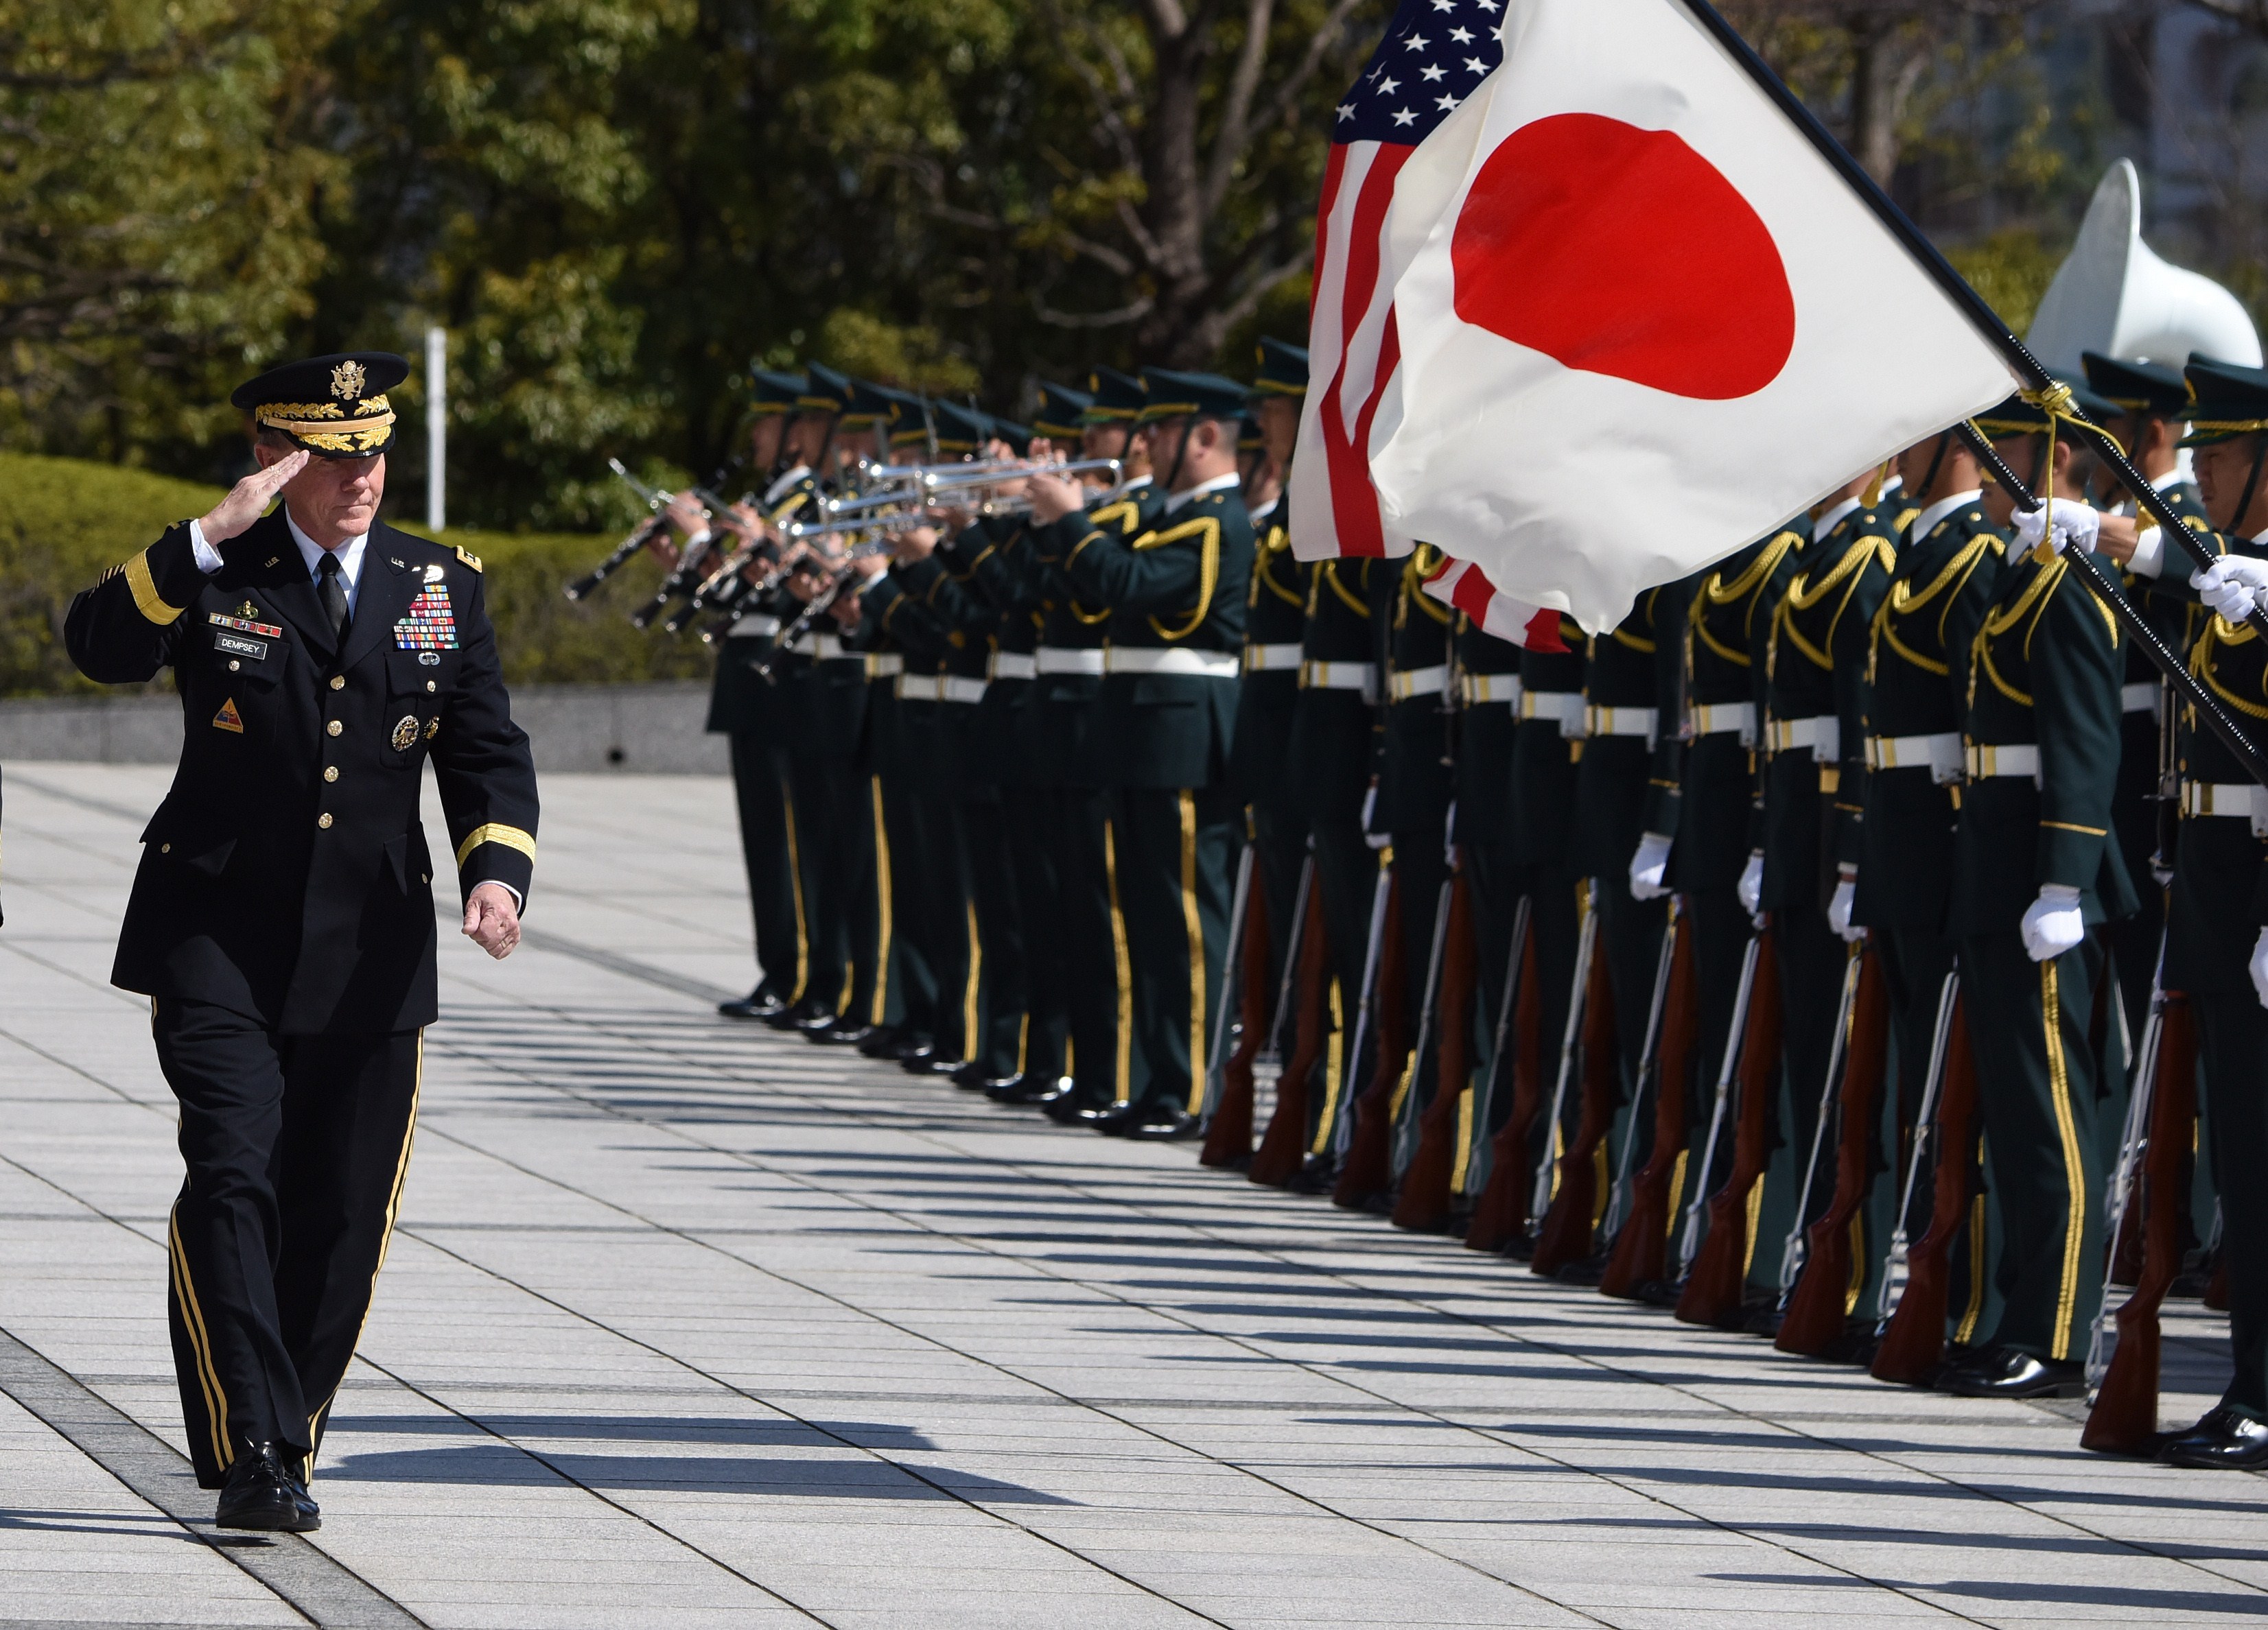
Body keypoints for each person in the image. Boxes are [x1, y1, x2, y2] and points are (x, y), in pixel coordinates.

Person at [63, 352, 538, 1533]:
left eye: (374, 452)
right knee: (235, 1173)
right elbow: (99, 646)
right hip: (215, 932)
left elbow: (485, 745)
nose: (361, 477)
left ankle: (294, 1424)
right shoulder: (223, 570)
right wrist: (207, 529)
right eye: (333, 458)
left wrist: (494, 870)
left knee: (340, 1211)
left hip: (372, 945)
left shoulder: (442, 584)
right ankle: (258, 1446)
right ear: (278, 457)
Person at [1939, 392, 2132, 1400]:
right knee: (2013, 1113)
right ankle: (2017, 1308)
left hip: (2041, 880)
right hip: (1997, 861)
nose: (1979, 468)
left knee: (2052, 1112)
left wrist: (2065, 875)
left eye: (1996, 449)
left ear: (2045, 460)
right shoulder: (2023, 572)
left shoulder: (2068, 585)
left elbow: (2083, 739)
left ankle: (2054, 1335)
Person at [1051, 368, 1256, 1137]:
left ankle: (1193, 1088)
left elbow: (1130, 586)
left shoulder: (1214, 523)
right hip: (1143, 731)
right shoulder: (1171, 515)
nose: (1147, 445)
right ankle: (1153, 1080)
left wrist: (1072, 522)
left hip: (1181, 733)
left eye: (1163, 432)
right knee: (1144, 918)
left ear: (1204, 438)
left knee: (1185, 924)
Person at [708, 366, 816, 1021]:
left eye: (769, 424)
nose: (757, 436)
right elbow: (731, 596)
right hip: (750, 675)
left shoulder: (804, 505)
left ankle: (799, 971)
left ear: (798, 433)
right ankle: (779, 966)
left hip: (785, 678)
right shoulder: (770, 500)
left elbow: (785, 594)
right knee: (763, 837)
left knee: (790, 840)